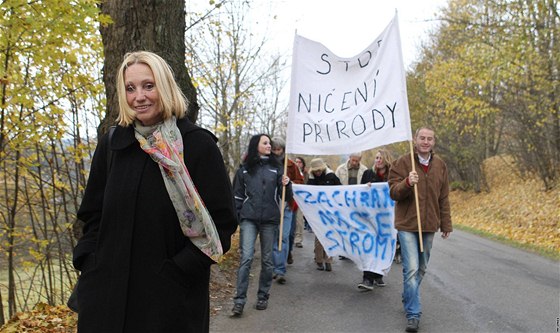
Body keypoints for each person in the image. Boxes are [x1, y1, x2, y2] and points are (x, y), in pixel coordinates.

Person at [72, 51, 238, 333]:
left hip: (169, 304)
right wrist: (89, 261)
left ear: (165, 87)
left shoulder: (197, 146)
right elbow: (93, 214)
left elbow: (222, 224)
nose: (139, 96)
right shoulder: (114, 144)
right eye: (130, 88)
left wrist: (178, 272)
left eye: (149, 86)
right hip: (107, 298)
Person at [388, 127, 452, 333]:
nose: (425, 142)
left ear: (434, 142)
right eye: (422, 138)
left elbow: (444, 197)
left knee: (422, 268)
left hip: (429, 225)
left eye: (430, 139)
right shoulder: (403, 163)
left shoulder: (440, 165)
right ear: (415, 140)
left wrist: (446, 224)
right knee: (412, 268)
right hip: (407, 224)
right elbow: (393, 193)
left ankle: (408, 295)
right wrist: (407, 182)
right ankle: (413, 314)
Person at [231, 134, 291, 316]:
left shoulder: (278, 168)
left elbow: (286, 198)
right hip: (249, 219)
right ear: (255, 145)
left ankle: (263, 296)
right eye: (265, 143)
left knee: (267, 260)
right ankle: (239, 301)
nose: (269, 145)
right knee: (246, 258)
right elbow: (237, 196)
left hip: (270, 220)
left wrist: (287, 185)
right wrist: (238, 217)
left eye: (270, 143)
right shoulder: (244, 170)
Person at [358, 149, 394, 290]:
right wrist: (366, 189)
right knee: (369, 247)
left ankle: (378, 274)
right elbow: (360, 192)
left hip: (386, 219)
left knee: (382, 247)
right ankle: (367, 278)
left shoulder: (392, 175)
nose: (377, 160)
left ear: (386, 159)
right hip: (369, 217)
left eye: (380, 158)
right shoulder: (368, 174)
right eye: (376, 158)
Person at [271, 137, 304, 282]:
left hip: (287, 206)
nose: (277, 152)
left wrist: (289, 182)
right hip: (271, 205)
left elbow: (300, 182)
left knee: (283, 237)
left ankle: (280, 270)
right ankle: (273, 266)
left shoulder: (291, 166)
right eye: (274, 149)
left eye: (279, 150)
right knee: (273, 238)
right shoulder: (266, 163)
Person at [307, 158, 341, 271]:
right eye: (315, 171)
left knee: (330, 235)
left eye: (319, 170)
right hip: (317, 211)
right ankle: (319, 260)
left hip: (330, 210)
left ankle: (329, 260)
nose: (317, 173)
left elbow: (340, 190)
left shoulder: (332, 177)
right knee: (319, 236)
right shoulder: (312, 178)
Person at [335, 152, 367, 260]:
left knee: (355, 227)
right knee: (344, 227)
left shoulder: (364, 170)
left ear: (360, 159)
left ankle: (353, 250)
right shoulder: (340, 169)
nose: (354, 162)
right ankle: (344, 251)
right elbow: (334, 185)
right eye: (353, 160)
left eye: (357, 161)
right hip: (344, 201)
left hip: (357, 202)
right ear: (349, 158)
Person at [293, 157, 308, 247]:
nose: (298, 164)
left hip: (300, 200)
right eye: (296, 162)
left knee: (299, 220)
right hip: (291, 198)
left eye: (300, 162)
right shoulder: (291, 172)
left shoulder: (306, 174)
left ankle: (298, 239)